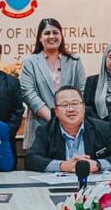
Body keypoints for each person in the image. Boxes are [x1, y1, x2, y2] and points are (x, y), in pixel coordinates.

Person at [25, 86, 111, 173]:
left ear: (83, 107)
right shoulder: (45, 131)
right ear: (56, 111)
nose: (71, 109)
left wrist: (97, 165)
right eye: (64, 105)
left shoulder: (102, 128)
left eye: (75, 103)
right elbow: (31, 160)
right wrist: (64, 166)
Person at [20, 18, 86, 149]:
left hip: (72, 127)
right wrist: (56, 119)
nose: (51, 36)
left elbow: (82, 91)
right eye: (47, 33)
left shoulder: (74, 61)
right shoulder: (30, 62)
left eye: (55, 33)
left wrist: (68, 117)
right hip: (40, 126)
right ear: (39, 37)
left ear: (61, 36)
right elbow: (28, 93)